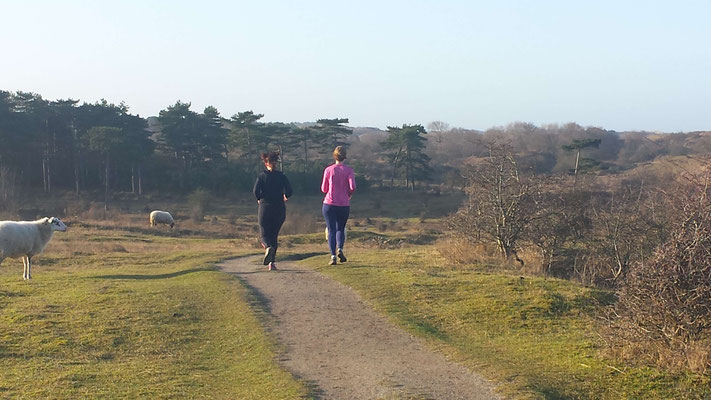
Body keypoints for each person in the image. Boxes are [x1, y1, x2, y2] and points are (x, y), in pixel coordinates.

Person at [253, 151, 292, 271]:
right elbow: (290, 190)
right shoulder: (282, 176)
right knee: (274, 235)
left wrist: (259, 199)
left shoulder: (262, 176)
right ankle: (272, 264)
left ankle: (267, 247)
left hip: (265, 207)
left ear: (266, 163)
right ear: (276, 163)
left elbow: (255, 191)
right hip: (279, 208)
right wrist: (285, 196)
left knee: (264, 235)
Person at [321, 146, 356, 265]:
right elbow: (353, 187)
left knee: (331, 230)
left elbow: (323, 188)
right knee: (340, 228)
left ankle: (332, 256)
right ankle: (340, 248)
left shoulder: (328, 170)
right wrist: (348, 194)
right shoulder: (349, 170)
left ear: (334, 156)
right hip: (344, 204)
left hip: (329, 203)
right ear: (344, 157)